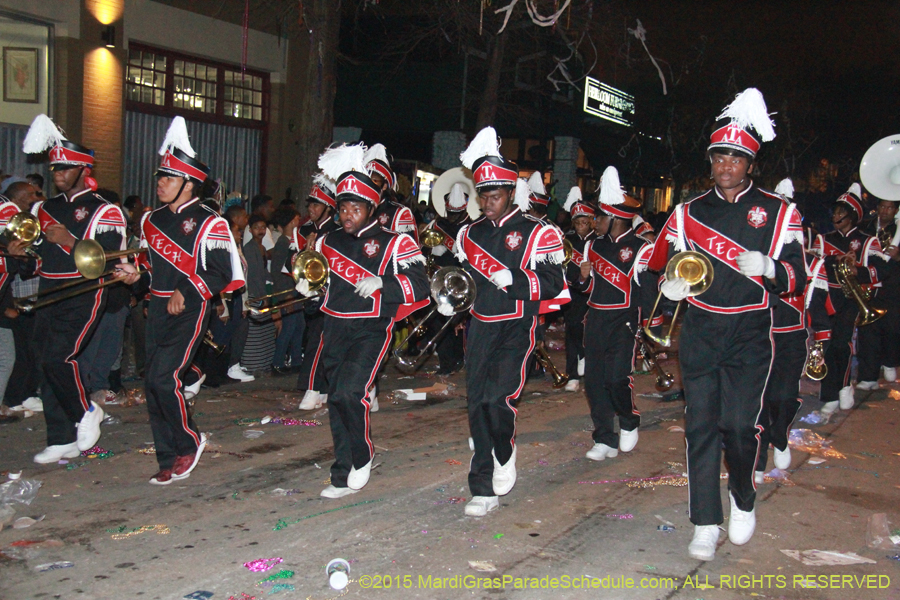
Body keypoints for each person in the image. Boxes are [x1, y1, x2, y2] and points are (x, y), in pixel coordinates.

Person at [649, 89, 806, 561]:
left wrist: (772, 268)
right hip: (700, 330)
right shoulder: (688, 211)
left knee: (739, 427)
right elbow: (668, 265)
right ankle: (704, 521)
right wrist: (670, 286)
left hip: (750, 332)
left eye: (736, 159)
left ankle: (742, 496)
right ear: (712, 160)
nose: (726, 166)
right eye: (720, 157)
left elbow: (798, 276)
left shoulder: (780, 213)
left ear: (750, 164)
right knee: (699, 426)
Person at [299, 143, 429, 499]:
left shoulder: (395, 242)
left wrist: (384, 283)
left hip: (372, 328)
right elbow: (317, 285)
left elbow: (420, 285)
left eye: (355, 207)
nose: (347, 214)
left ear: (371, 207)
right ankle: (342, 472)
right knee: (337, 401)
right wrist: (309, 289)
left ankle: (363, 454)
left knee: (349, 392)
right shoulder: (326, 241)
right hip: (334, 326)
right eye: (342, 208)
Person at [120, 116, 244, 485]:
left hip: (191, 308)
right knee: (151, 383)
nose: (160, 183)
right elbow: (148, 265)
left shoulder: (211, 222)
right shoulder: (150, 220)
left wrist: (186, 291)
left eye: (169, 178)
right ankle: (167, 454)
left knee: (164, 377)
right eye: (160, 177)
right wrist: (135, 276)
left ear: (189, 185)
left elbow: (222, 272)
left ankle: (189, 443)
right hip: (156, 306)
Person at [453, 127, 566, 517]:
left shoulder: (539, 231)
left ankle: (505, 451)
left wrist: (515, 280)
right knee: (476, 406)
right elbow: (460, 279)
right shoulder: (468, 233)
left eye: (495, 195)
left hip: (518, 324)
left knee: (496, 399)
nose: (487, 202)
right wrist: (452, 300)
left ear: (510, 193)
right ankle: (482, 488)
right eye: (482, 195)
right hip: (480, 324)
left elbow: (555, 282)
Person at [17, 114, 128, 463]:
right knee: (45, 361)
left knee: (59, 356)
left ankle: (86, 412)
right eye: (54, 169)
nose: (57, 174)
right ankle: (61, 437)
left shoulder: (104, 211)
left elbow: (110, 259)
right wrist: (21, 254)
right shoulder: (42, 208)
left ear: (83, 170)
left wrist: (70, 240)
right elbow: (39, 257)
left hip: (84, 291)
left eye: (64, 169)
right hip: (48, 290)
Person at [755, 179, 831, 481]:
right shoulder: (757, 255)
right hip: (760, 336)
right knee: (758, 400)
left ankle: (780, 435)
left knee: (783, 397)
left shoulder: (812, 263)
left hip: (792, 339)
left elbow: (817, 307)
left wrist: (821, 341)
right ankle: (757, 462)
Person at [812, 184, 889, 413]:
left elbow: (882, 269)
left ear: (852, 215)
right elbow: (815, 268)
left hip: (851, 299)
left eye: (840, 213)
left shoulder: (868, 241)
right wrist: (830, 260)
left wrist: (858, 271)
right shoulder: (823, 239)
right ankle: (830, 395)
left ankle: (844, 386)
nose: (835, 216)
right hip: (826, 297)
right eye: (834, 212)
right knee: (826, 345)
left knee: (840, 343)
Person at [293, 173, 339, 410]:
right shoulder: (303, 231)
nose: (311, 208)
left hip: (330, 294)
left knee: (318, 342)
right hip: (308, 293)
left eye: (316, 204)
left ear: (328, 207)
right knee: (315, 339)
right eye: (309, 204)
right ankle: (322, 389)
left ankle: (313, 387)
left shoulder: (337, 232)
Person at [424, 176, 476, 375]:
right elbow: (424, 248)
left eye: (456, 213)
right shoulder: (438, 224)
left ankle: (457, 359)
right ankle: (447, 361)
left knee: (456, 322)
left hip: (460, 280)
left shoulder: (470, 228)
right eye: (450, 212)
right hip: (439, 279)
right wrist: (430, 251)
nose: (452, 216)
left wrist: (456, 250)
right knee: (437, 320)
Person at [1, 181, 42, 412]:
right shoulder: (8, 218)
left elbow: (24, 269)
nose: (35, 198)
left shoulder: (19, 224)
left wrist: (20, 257)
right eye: (31, 195)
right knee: (10, 358)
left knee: (19, 355)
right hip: (9, 304)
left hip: (11, 301)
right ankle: (13, 400)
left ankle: (18, 398)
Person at [855, 197, 900, 388]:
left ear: (896, 210)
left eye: (890, 207)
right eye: (882, 206)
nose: (885, 210)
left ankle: (890, 361)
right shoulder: (866, 226)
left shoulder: (897, 229)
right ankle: (868, 376)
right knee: (868, 329)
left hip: (892, 285)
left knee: (892, 328)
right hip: (869, 284)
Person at [560, 185, 596, 392]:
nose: (582, 226)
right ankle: (572, 373)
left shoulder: (598, 242)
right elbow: (561, 266)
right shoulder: (568, 241)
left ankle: (589, 366)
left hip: (593, 292)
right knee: (572, 329)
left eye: (585, 222)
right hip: (572, 291)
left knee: (589, 331)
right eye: (578, 222)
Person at [269, 207, 304, 375]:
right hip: (288, 291)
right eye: (297, 219)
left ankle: (296, 360)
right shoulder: (283, 242)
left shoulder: (292, 241)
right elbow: (278, 271)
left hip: (296, 290)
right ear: (292, 221)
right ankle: (277, 361)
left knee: (299, 326)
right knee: (289, 327)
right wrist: (286, 295)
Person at [241, 215, 277, 372]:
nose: (260, 230)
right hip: (255, 295)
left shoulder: (262, 248)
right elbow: (255, 275)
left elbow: (263, 272)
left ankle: (262, 364)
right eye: (257, 227)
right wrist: (264, 296)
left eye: (263, 227)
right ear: (250, 230)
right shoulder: (249, 249)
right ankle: (252, 365)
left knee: (265, 332)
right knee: (255, 333)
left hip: (262, 293)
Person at [366, 144, 418, 243]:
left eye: (374, 181)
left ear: (384, 186)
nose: (369, 185)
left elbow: (408, 251)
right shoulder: (357, 208)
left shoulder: (399, 213)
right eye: (366, 181)